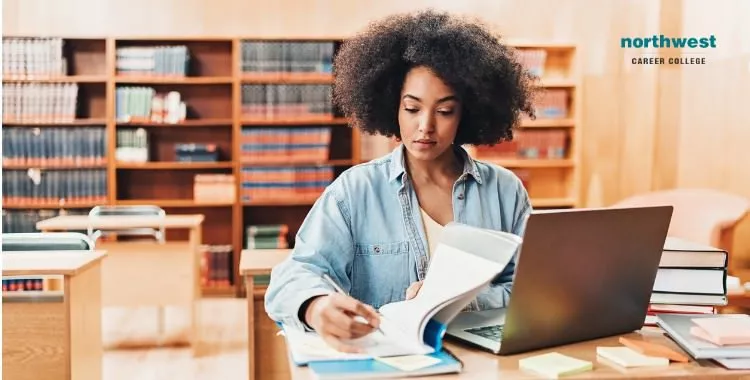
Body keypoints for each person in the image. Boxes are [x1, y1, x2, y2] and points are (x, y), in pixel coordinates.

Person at [265, 9, 536, 353]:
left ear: (467, 113)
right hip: (392, 364)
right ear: (392, 107)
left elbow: (533, 289)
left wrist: (465, 301)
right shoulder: (355, 191)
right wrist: (316, 306)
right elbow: (294, 274)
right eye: (412, 108)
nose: (426, 125)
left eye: (445, 111)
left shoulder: (505, 191)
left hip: (487, 365)